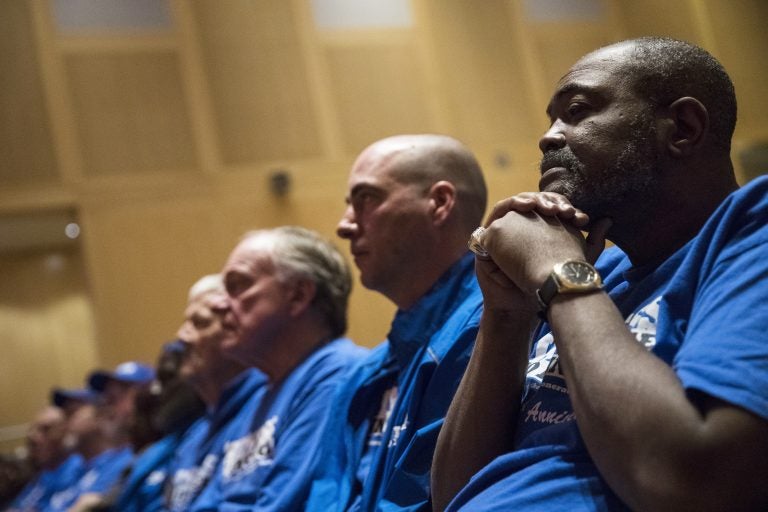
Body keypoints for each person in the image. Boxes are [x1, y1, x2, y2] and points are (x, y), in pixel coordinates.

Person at [431, 36, 768, 511]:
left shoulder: (752, 233)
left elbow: (695, 485)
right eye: (551, 117)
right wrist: (507, 311)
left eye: (578, 110)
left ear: (683, 128)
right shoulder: (598, 272)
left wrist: (557, 273)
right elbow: (453, 494)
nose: (548, 136)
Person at [306, 134, 488, 511]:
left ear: (439, 204)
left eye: (366, 200)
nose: (344, 226)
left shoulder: (493, 329)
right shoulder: (365, 374)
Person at [209, 225, 368, 510]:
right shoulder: (258, 395)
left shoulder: (336, 374)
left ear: (298, 295)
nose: (219, 304)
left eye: (238, 285)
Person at [165, 274, 266, 512]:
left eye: (199, 323)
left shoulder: (266, 413)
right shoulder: (194, 436)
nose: (182, 336)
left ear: (235, 331)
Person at [44, 403, 133, 512]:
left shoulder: (119, 463)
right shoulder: (73, 467)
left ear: (99, 419)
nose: (66, 426)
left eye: (73, 416)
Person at [6, 406, 82, 511]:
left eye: (46, 429)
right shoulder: (43, 472)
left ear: (66, 433)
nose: (32, 436)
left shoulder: (76, 470)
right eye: (32, 429)